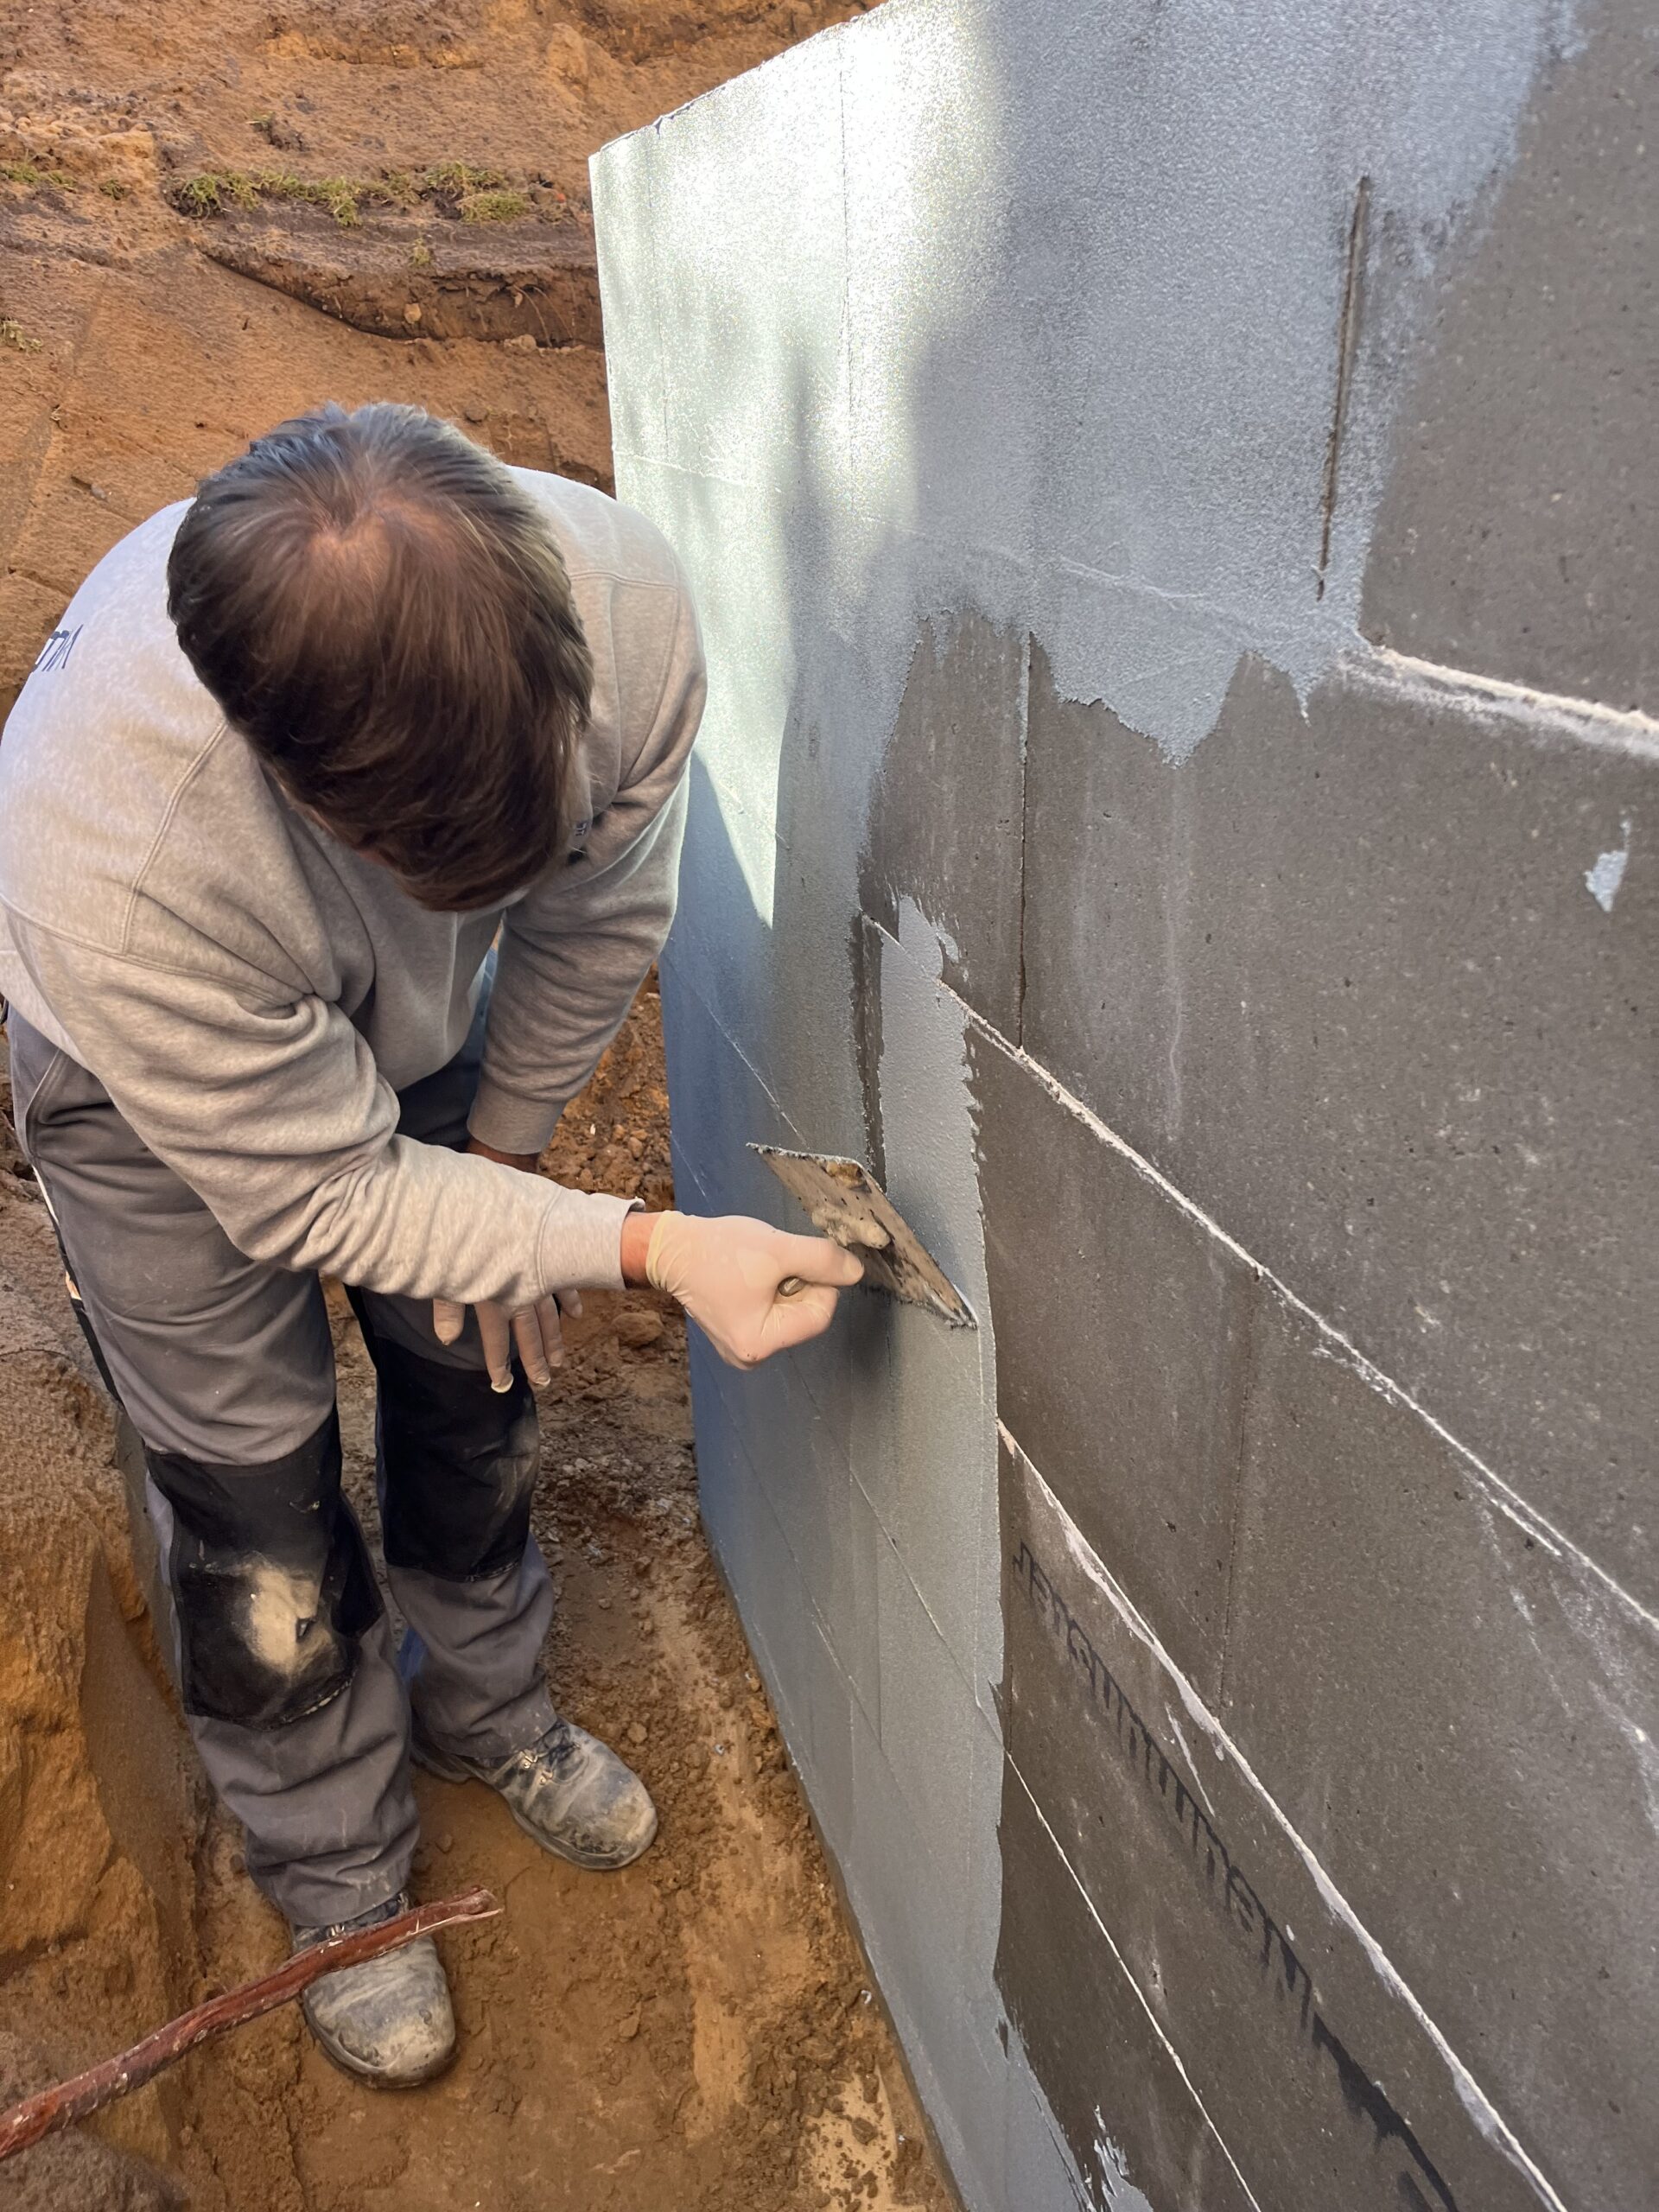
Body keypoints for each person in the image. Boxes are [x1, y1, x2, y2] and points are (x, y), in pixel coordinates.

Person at [0, 403, 861, 2087]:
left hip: (418, 1021)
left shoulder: (624, 604)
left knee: (479, 1360)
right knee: (254, 1509)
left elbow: (597, 909)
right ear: (308, 795)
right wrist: (641, 1244)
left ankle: (486, 1703)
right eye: (439, 868)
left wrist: (511, 1161)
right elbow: (324, 1193)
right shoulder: (116, 862)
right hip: (162, 1081)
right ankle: (338, 1874)